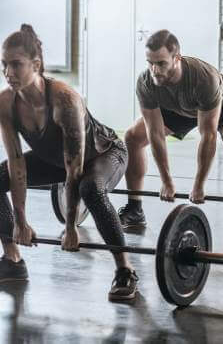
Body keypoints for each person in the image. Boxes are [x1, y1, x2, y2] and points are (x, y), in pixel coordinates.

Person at [0, 24, 138, 302]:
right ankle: (12, 258)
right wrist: (21, 223)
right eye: (3, 64)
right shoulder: (5, 102)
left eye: (16, 65)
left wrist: (72, 226)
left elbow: (75, 168)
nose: (8, 73)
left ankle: (125, 268)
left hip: (104, 154)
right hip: (56, 159)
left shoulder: (64, 99)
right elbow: (16, 164)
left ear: (36, 64)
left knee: (90, 189)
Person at [118, 30, 223, 243]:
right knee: (133, 137)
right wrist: (166, 181)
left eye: (161, 63)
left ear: (177, 59)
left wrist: (199, 185)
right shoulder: (147, 82)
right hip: (181, 109)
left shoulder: (203, 79)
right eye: (150, 63)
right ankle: (135, 209)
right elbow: (155, 133)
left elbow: (208, 135)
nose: (155, 70)